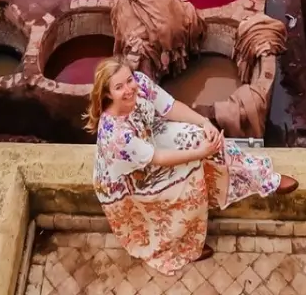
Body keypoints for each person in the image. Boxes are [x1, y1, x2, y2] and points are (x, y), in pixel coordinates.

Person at [90, 59, 295, 275]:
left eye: (128, 80)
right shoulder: (115, 135)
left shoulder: (140, 83)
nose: (129, 89)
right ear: (107, 94)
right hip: (131, 179)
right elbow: (156, 158)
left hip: (150, 137)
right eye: (119, 87)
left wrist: (205, 123)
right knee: (189, 176)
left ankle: (264, 178)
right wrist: (200, 154)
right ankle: (188, 248)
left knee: (203, 137)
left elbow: (170, 107)